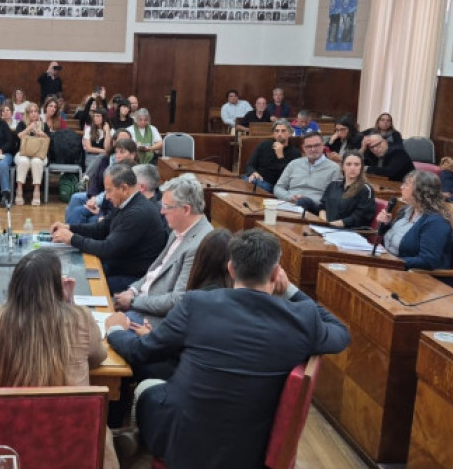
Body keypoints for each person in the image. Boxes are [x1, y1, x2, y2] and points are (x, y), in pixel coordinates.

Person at [105, 229, 350, 469]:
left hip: (185, 447)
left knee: (148, 388)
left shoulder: (197, 304)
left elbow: (140, 351)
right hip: (251, 453)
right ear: (276, 273)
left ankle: (136, 440)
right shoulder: (300, 319)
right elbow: (340, 333)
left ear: (231, 269)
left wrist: (115, 330)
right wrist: (291, 292)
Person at [0, 249, 119, 469]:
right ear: (57, 286)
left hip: (4, 434)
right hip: (74, 434)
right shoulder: (81, 317)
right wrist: (69, 303)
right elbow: (98, 357)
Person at [112, 174, 212, 328]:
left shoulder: (199, 244)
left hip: (153, 319)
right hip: (141, 300)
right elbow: (155, 270)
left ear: (186, 209)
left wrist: (132, 301)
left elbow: (177, 300)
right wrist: (132, 290)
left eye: (166, 207)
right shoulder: (178, 229)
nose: (161, 212)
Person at [52, 163, 167, 294]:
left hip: (131, 278)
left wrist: (72, 239)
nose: (106, 197)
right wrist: (70, 227)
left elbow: (108, 249)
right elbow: (100, 229)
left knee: (78, 286)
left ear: (124, 188)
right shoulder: (125, 203)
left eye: (109, 190)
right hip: (116, 267)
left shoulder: (137, 213)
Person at [375, 170, 453, 273]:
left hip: (416, 277)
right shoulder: (405, 210)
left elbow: (428, 260)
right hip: (390, 268)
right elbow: (391, 239)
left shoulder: (436, 222)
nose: (401, 187)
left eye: (406, 184)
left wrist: (393, 261)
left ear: (420, 190)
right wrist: (385, 225)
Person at [65, 135, 137, 225]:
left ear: (133, 155)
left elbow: (116, 199)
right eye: (117, 152)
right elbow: (96, 181)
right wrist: (93, 197)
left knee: (81, 213)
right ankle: (68, 232)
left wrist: (101, 212)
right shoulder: (107, 161)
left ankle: (71, 234)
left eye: (122, 152)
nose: (118, 156)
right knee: (76, 201)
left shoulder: (133, 171)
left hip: (110, 207)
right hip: (102, 199)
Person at [305, 151, 376, 228]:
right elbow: (323, 207)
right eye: (348, 164)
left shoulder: (366, 189)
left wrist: (332, 225)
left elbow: (359, 217)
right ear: (342, 167)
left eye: (357, 165)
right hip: (326, 227)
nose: (352, 168)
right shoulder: (333, 185)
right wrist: (324, 222)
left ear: (361, 167)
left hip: (349, 231)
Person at [274, 131, 342, 205]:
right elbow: (278, 188)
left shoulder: (334, 168)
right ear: (303, 148)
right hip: (290, 204)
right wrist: (290, 197)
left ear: (323, 146)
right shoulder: (294, 164)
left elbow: (334, 197)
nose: (313, 149)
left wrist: (308, 201)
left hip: (315, 208)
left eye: (316, 145)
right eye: (309, 146)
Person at [244, 120, 301, 192]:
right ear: (273, 134)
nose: (279, 134)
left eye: (283, 131)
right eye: (277, 131)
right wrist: (253, 172)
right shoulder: (264, 145)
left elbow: (288, 178)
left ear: (290, 133)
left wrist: (280, 156)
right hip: (254, 178)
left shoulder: (295, 153)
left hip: (272, 185)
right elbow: (250, 164)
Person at [14, 102, 50, 206]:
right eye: (31, 112)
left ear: (38, 113)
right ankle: (19, 189)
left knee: (36, 162)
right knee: (24, 161)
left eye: (36, 111)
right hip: (23, 153)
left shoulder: (44, 125)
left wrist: (43, 134)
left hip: (39, 155)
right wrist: (28, 129)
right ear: (27, 113)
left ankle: (37, 191)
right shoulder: (22, 124)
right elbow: (18, 137)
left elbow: (49, 141)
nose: (34, 114)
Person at [83, 109, 112, 174]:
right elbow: (88, 148)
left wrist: (107, 132)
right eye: (94, 116)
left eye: (98, 116)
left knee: (102, 161)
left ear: (104, 117)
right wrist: (103, 151)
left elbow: (107, 147)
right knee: (97, 161)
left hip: (105, 157)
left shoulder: (111, 131)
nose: (95, 118)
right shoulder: (89, 129)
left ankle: (86, 178)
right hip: (91, 156)